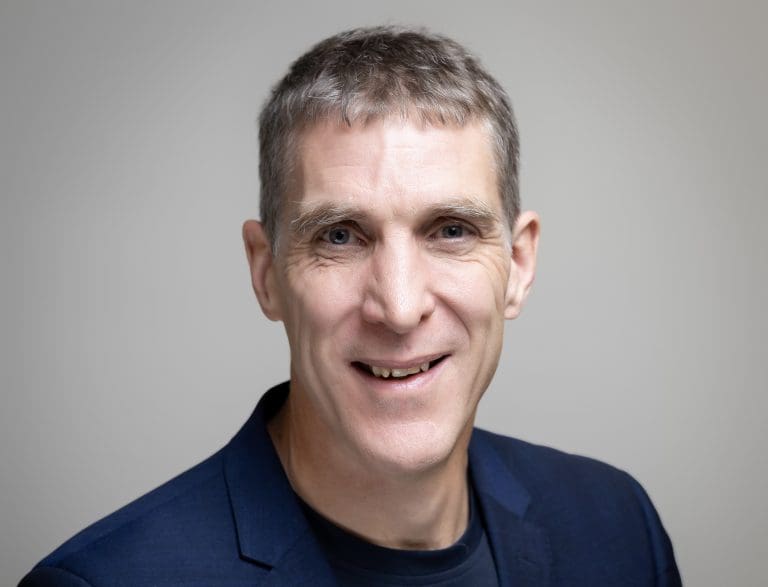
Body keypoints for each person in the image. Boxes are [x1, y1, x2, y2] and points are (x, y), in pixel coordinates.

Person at [20, 26, 681, 586]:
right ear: (266, 273)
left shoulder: (618, 527)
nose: (399, 307)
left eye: (451, 230)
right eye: (339, 236)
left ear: (519, 264)